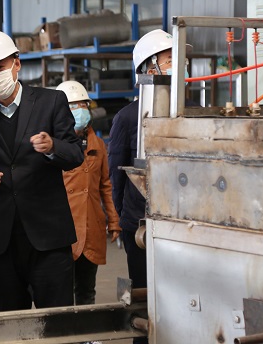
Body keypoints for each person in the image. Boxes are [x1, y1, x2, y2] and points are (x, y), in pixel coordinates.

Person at [0, 29, 84, 312]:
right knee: (6, 323)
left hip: (48, 237)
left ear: (16, 64)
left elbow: (75, 154)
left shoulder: (51, 102)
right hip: (1, 241)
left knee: (56, 322)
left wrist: (52, 146)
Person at [108, 29, 186, 344]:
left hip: (180, 223)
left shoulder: (189, 111)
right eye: (170, 59)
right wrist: (126, 217)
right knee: (143, 294)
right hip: (139, 225)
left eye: (180, 59)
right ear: (148, 68)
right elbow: (117, 176)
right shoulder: (128, 118)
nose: (178, 65)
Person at [56, 80, 121, 307]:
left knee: (86, 291)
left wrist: (114, 220)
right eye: (73, 106)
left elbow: (106, 185)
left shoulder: (98, 145)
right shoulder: (52, 145)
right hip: (62, 228)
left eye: (83, 105)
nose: (80, 110)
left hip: (91, 225)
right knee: (60, 292)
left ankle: (87, 331)